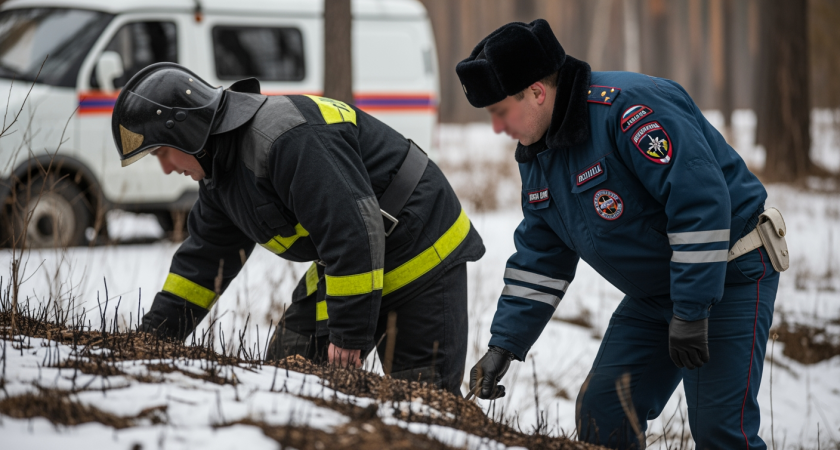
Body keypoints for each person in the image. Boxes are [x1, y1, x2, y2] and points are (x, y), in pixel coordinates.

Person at [457, 20, 787, 448]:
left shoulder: (630, 111)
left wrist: (690, 310)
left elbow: (700, 204)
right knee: (604, 411)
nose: (498, 128)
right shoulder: (538, 152)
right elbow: (542, 252)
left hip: (727, 274)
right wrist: (505, 343)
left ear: (537, 91)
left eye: (501, 112)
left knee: (720, 433)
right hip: (660, 291)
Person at [111, 62, 485, 394]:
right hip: (351, 259)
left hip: (421, 249)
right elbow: (203, 263)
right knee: (286, 375)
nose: (165, 168)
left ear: (186, 131)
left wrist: (349, 334)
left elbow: (352, 228)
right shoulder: (219, 177)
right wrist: (152, 340)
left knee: (419, 403)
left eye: (161, 152)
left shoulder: (285, 138)